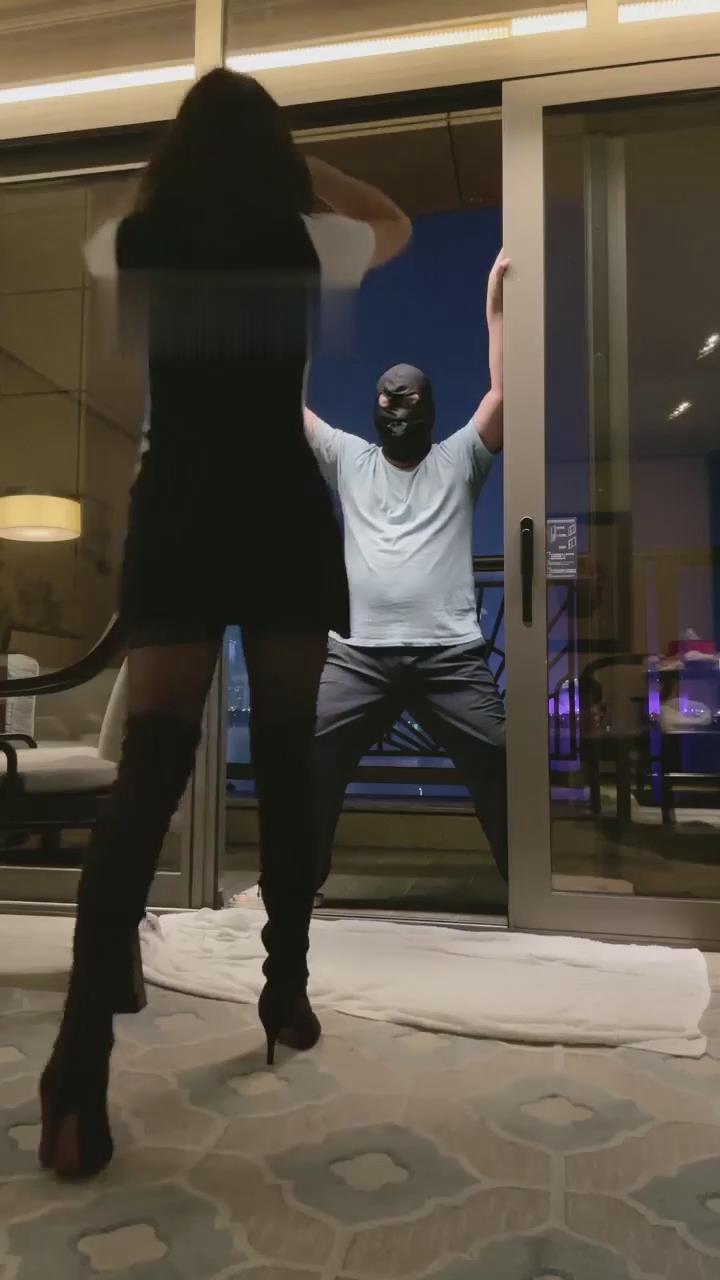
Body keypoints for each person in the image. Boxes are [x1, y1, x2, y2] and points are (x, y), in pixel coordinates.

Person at [38, 69, 411, 1180]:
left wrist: (178, 173)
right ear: (274, 157)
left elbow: (114, 246)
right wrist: (306, 168)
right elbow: (393, 223)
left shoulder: (143, 242)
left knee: (151, 763)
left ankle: (77, 1064)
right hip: (279, 511)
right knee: (288, 759)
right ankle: (284, 988)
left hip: (182, 509)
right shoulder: (304, 242)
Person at [305, 251, 510, 897]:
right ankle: (297, 884)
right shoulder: (349, 459)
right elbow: (288, 406)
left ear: (429, 406)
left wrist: (494, 302)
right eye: (387, 399)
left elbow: (503, 395)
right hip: (357, 657)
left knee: (501, 759)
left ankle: (532, 887)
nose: (396, 409)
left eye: (408, 399)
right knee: (308, 756)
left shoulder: (460, 460)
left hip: (450, 656)